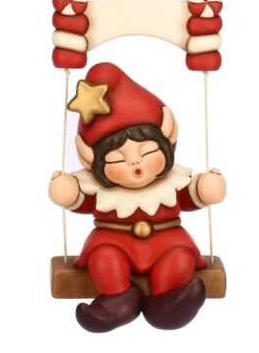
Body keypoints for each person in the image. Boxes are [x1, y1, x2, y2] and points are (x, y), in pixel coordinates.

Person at [49, 62, 226, 332]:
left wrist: (206, 188)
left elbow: (191, 195)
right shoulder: (101, 192)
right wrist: (67, 191)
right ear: (95, 163)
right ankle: (117, 300)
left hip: (167, 240)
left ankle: (169, 301)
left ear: (167, 145)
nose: (136, 165)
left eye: (147, 153)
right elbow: (81, 200)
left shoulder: (173, 183)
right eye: (118, 160)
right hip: (112, 239)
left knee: (179, 258)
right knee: (104, 258)